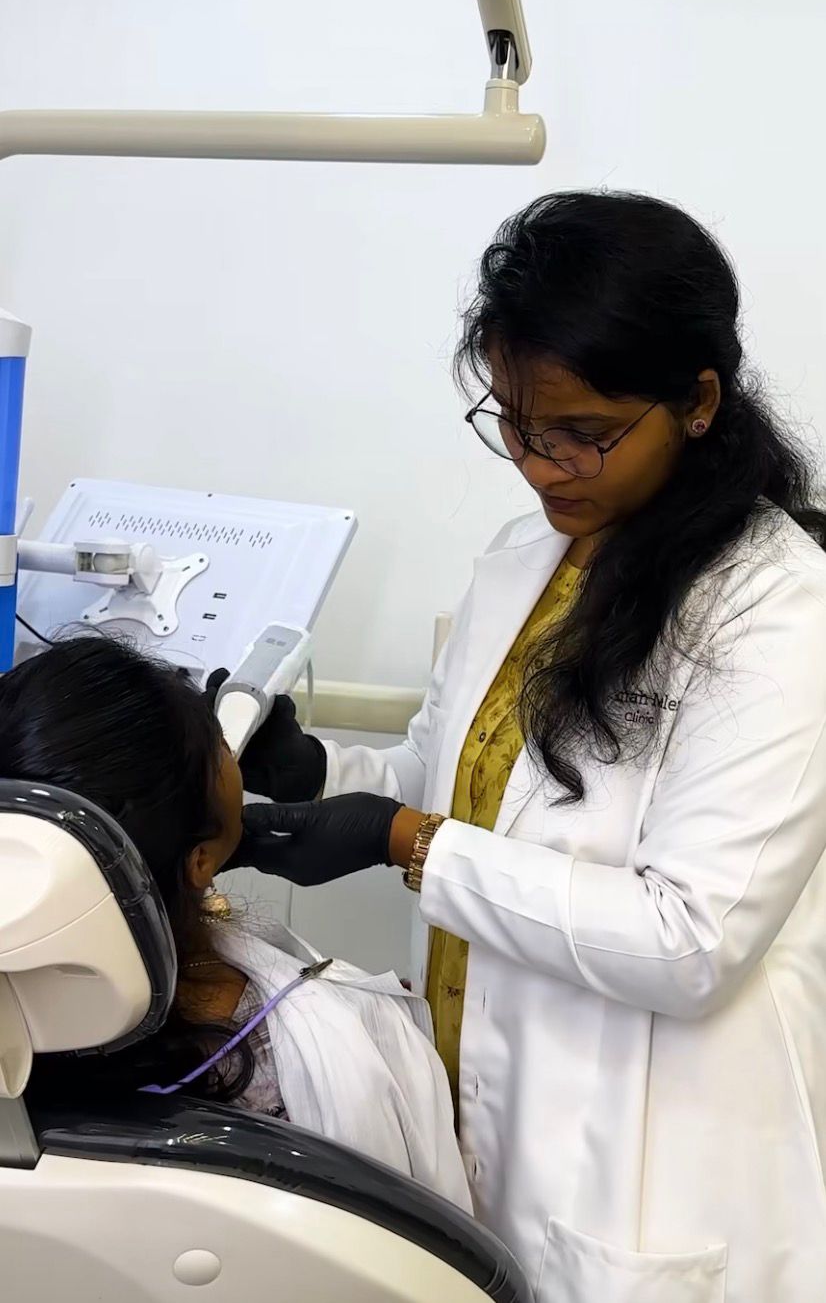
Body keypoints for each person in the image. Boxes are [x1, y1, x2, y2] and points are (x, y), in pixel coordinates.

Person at [227, 192, 826, 1303]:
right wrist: (318, 777)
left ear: (695, 401)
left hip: (655, 1168)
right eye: (515, 425)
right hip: (488, 1116)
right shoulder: (525, 556)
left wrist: (407, 842)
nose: (545, 466)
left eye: (584, 433)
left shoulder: (773, 607)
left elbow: (688, 937)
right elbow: (456, 782)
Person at [2, 636, 470, 1210]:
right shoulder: (324, 1045)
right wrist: (397, 838)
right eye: (216, 739)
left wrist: (318, 771)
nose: (230, 746)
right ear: (200, 859)